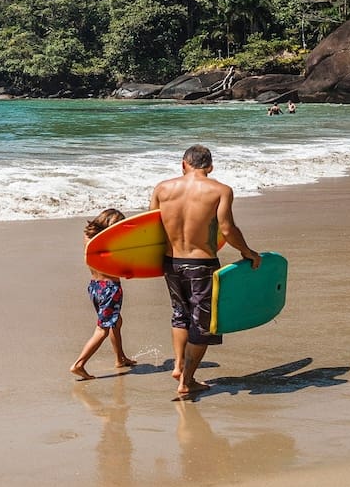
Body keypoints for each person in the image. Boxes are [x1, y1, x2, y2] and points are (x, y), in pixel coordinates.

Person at [150, 145, 261, 396]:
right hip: (201, 265)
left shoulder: (162, 188)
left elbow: (149, 229)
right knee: (203, 325)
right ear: (210, 167)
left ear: (183, 164)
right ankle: (187, 381)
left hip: (171, 262)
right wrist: (247, 252)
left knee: (180, 313)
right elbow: (227, 229)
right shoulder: (220, 190)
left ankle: (179, 365)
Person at [71, 209, 138, 380]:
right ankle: (79, 364)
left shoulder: (89, 238)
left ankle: (120, 358)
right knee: (102, 329)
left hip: (95, 286)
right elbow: (119, 265)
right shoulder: (111, 242)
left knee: (116, 321)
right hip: (110, 289)